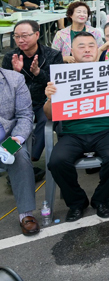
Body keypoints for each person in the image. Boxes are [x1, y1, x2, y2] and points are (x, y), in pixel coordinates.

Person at [44, 32, 109, 221]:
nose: (87, 50)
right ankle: (77, 202)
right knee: (56, 162)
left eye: (91, 45)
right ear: (72, 52)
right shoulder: (62, 76)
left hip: (106, 131)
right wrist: (51, 98)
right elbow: (49, 115)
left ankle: (101, 199)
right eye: (81, 46)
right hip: (72, 134)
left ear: (98, 49)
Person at [2, 20, 63, 163]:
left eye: (24, 36)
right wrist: (15, 73)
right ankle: (8, 156)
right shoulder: (10, 57)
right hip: (18, 105)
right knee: (10, 123)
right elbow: (4, 87)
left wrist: (37, 72)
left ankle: (28, 158)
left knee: (47, 118)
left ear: (37, 34)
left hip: (42, 101)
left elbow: (57, 84)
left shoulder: (53, 55)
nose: (20, 40)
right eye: (16, 36)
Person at [0, 66, 39, 235]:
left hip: (8, 138)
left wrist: (18, 138)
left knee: (20, 155)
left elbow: (25, 115)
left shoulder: (14, 79)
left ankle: (26, 214)